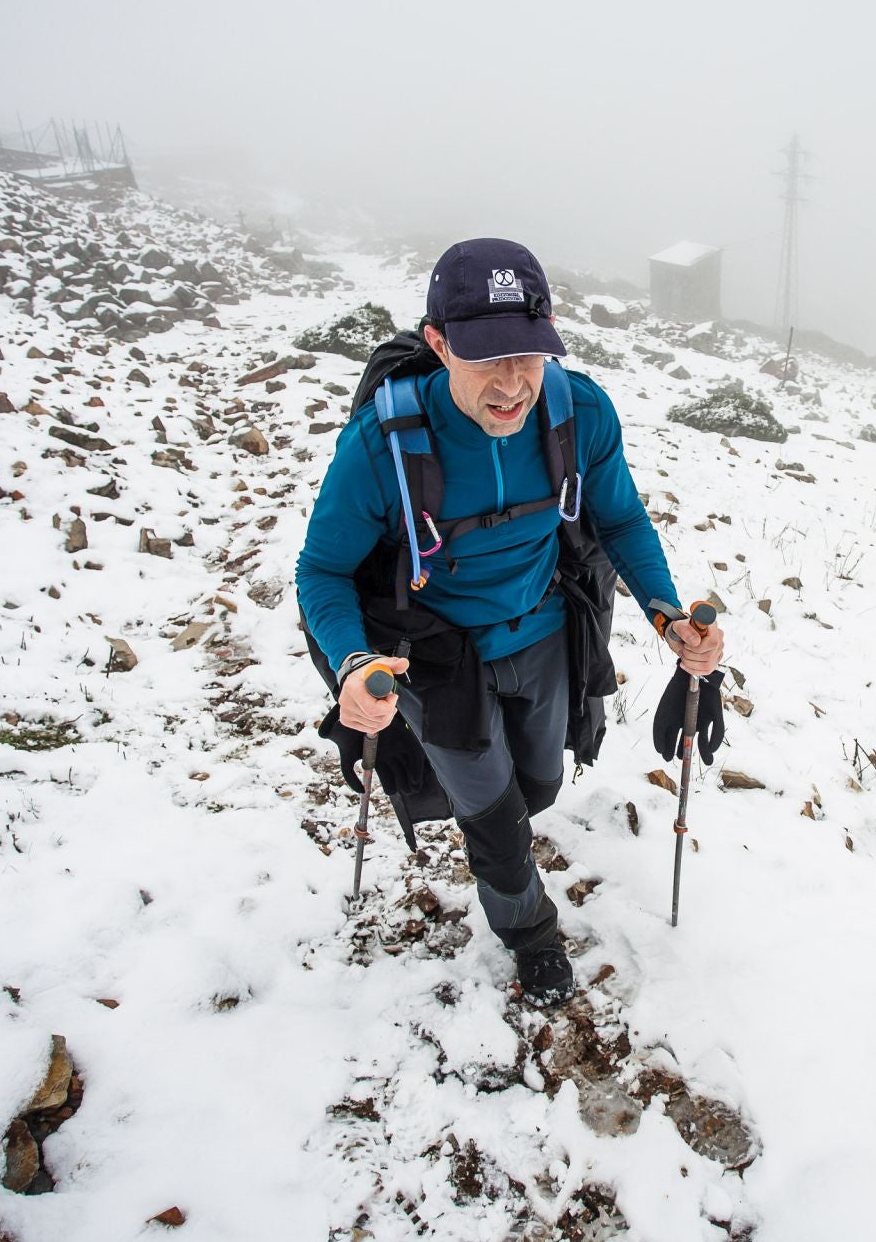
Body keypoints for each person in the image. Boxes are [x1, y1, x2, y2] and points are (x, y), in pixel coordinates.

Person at [296, 238, 725, 1005]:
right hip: (437, 658)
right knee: (495, 821)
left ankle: (497, 826)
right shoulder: (384, 446)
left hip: (542, 633)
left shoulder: (576, 411)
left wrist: (667, 618)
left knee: (537, 785)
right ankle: (529, 932)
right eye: (485, 355)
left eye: (527, 352)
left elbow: (620, 521)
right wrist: (352, 664)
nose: (511, 383)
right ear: (437, 343)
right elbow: (321, 571)